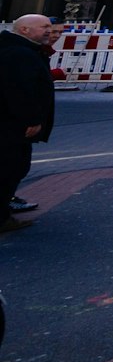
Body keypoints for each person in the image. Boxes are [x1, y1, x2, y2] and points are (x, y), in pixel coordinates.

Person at [0, 14, 58, 233]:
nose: (49, 31)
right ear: (24, 30)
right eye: (44, 27)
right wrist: (32, 119)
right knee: (10, 167)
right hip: (12, 123)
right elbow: (19, 90)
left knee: (15, 165)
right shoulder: (18, 54)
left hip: (11, 122)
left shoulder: (22, 50)